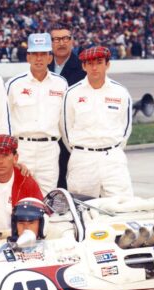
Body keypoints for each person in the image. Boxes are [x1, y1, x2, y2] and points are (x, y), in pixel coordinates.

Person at [61, 46, 134, 198]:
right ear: (83, 66)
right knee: (83, 209)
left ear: (107, 64)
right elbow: (66, 129)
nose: (94, 68)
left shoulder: (120, 92)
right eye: (90, 63)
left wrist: (112, 148)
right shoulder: (72, 93)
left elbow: (126, 129)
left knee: (122, 205)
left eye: (99, 62)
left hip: (113, 158)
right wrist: (81, 150)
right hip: (83, 158)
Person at [5, 33, 68, 195]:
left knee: (48, 198)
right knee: (18, 195)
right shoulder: (14, 84)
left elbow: (64, 121)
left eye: (43, 54)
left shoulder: (61, 84)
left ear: (50, 57)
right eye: (35, 54)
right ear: (28, 57)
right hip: (22, 148)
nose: (39, 59)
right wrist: (10, 154)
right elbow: (4, 121)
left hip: (50, 149)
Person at [47, 24, 87, 191]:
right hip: (48, 137)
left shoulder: (83, 68)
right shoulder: (43, 65)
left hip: (71, 140)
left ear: (72, 41)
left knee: (70, 188)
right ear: (50, 43)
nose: (61, 43)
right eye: (56, 39)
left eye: (65, 38)